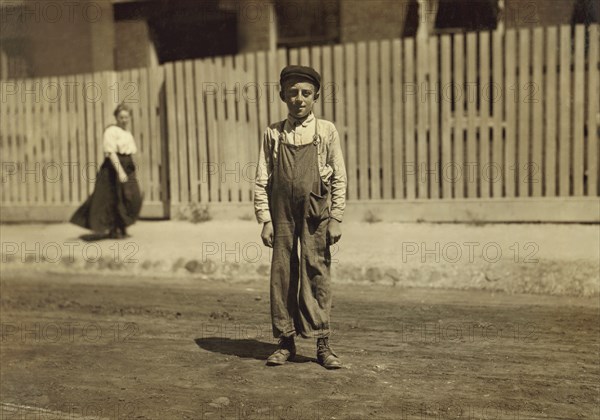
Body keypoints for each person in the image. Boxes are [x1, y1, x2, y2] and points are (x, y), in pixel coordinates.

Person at [254, 65, 347, 369]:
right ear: (282, 95)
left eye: (306, 93)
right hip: (281, 213)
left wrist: (336, 216)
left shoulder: (326, 131)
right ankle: (285, 341)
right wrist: (265, 219)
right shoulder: (273, 132)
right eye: (292, 92)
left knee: (316, 270)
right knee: (282, 272)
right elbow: (262, 178)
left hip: (316, 212)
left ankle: (322, 343)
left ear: (316, 96)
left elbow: (339, 178)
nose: (299, 98)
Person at [71, 103, 143, 239]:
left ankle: (122, 226)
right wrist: (120, 171)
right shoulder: (111, 131)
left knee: (132, 197)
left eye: (126, 117)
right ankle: (115, 229)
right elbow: (111, 153)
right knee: (115, 198)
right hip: (114, 166)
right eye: (121, 117)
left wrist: (129, 169)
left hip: (127, 164)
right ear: (116, 117)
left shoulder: (127, 133)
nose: (124, 120)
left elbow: (130, 153)